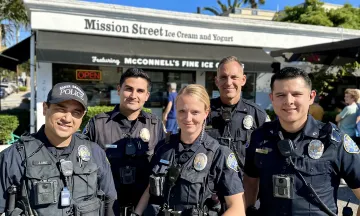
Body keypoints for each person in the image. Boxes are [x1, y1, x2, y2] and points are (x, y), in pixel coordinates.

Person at [244, 67, 360, 216]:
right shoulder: (259, 137)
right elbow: (250, 180)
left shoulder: (334, 141)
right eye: (280, 95)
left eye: (296, 94)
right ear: (272, 98)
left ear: (311, 97)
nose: (289, 101)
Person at [0, 82, 117, 216]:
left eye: (76, 112)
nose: (67, 118)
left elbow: (110, 201)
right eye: (61, 109)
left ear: (82, 116)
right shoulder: (14, 156)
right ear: (45, 108)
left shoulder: (95, 152)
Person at [133, 84, 245, 216]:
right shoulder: (163, 147)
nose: (187, 118)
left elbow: (237, 209)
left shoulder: (219, 154)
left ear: (206, 113)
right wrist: (137, 213)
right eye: (182, 111)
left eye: (195, 112)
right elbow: (150, 188)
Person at [83, 68, 166, 215]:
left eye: (140, 91)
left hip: (144, 210)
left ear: (146, 96)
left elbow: (162, 167)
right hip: (107, 210)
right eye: (128, 89)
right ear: (119, 90)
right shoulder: (98, 124)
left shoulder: (155, 125)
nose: (133, 95)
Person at [206, 56, 268, 172]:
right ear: (216, 81)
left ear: (243, 80)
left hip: (244, 185)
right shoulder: (204, 112)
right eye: (223, 77)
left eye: (234, 77)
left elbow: (267, 153)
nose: (229, 83)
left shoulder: (257, 114)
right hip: (211, 185)